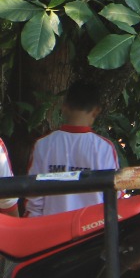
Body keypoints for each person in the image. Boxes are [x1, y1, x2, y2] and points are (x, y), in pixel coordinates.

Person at [24, 80, 121, 217]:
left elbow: (34, 200)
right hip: (92, 232)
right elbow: (115, 196)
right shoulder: (104, 148)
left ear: (64, 107)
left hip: (53, 231)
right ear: (96, 111)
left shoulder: (43, 145)